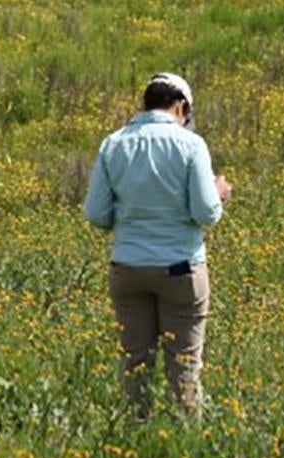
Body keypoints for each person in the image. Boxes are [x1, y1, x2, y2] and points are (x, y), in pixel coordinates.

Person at [83, 73, 230, 422]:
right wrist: (219, 193)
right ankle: (188, 438)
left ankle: (135, 431)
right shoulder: (191, 145)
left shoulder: (113, 144)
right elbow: (206, 213)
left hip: (127, 268)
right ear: (181, 107)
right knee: (184, 365)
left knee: (135, 362)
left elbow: (96, 214)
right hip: (180, 268)